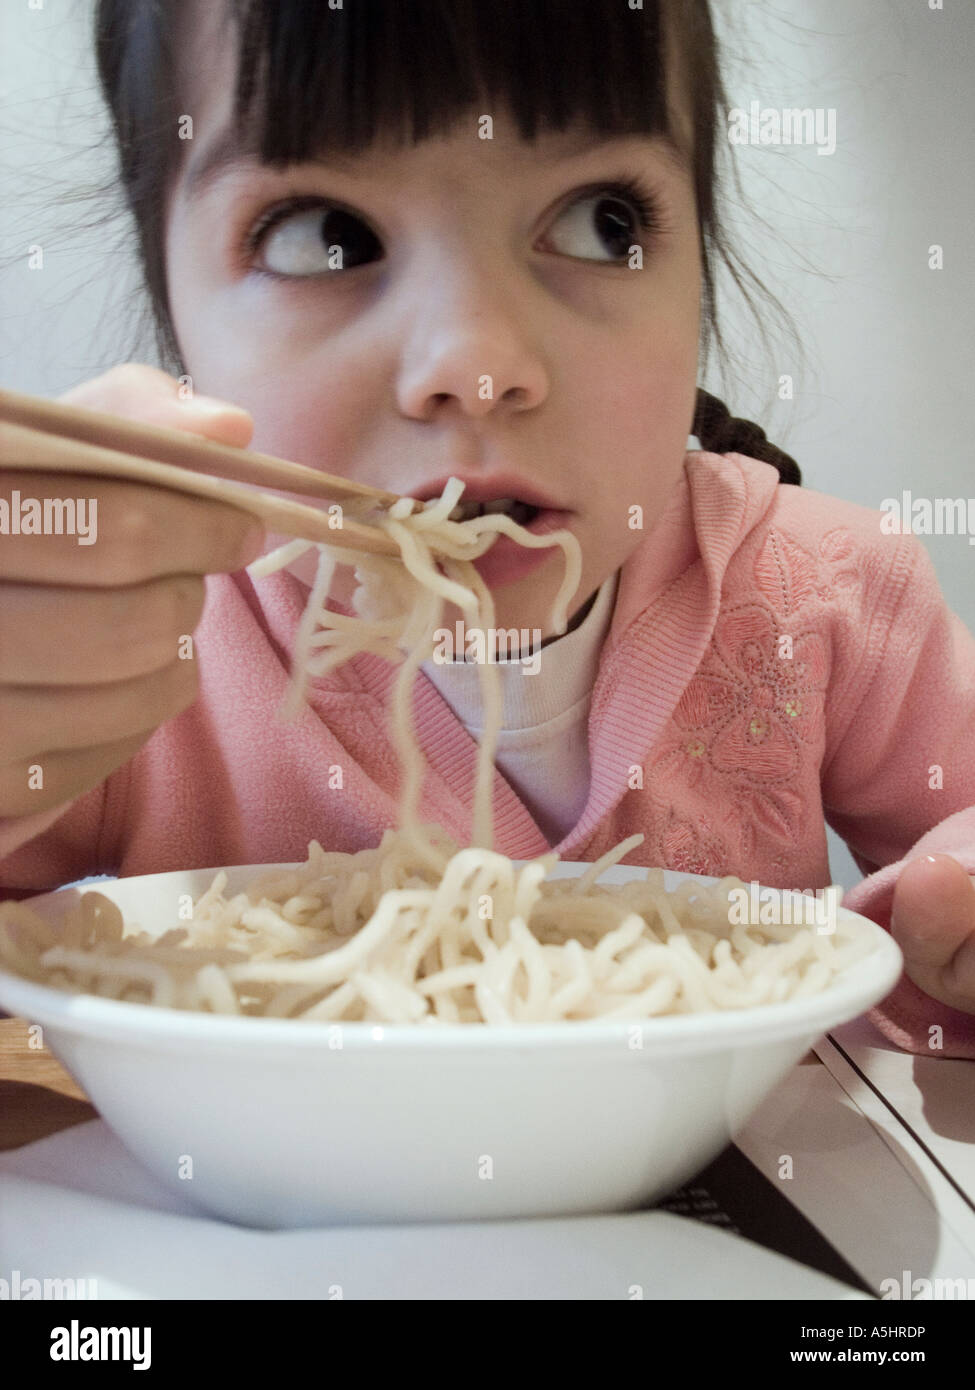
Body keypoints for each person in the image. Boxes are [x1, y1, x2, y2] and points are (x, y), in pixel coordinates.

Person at [1, 0, 973, 1054]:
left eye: (603, 220)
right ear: (176, 314)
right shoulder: (129, 644)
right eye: (326, 238)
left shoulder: (832, 591)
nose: (475, 364)